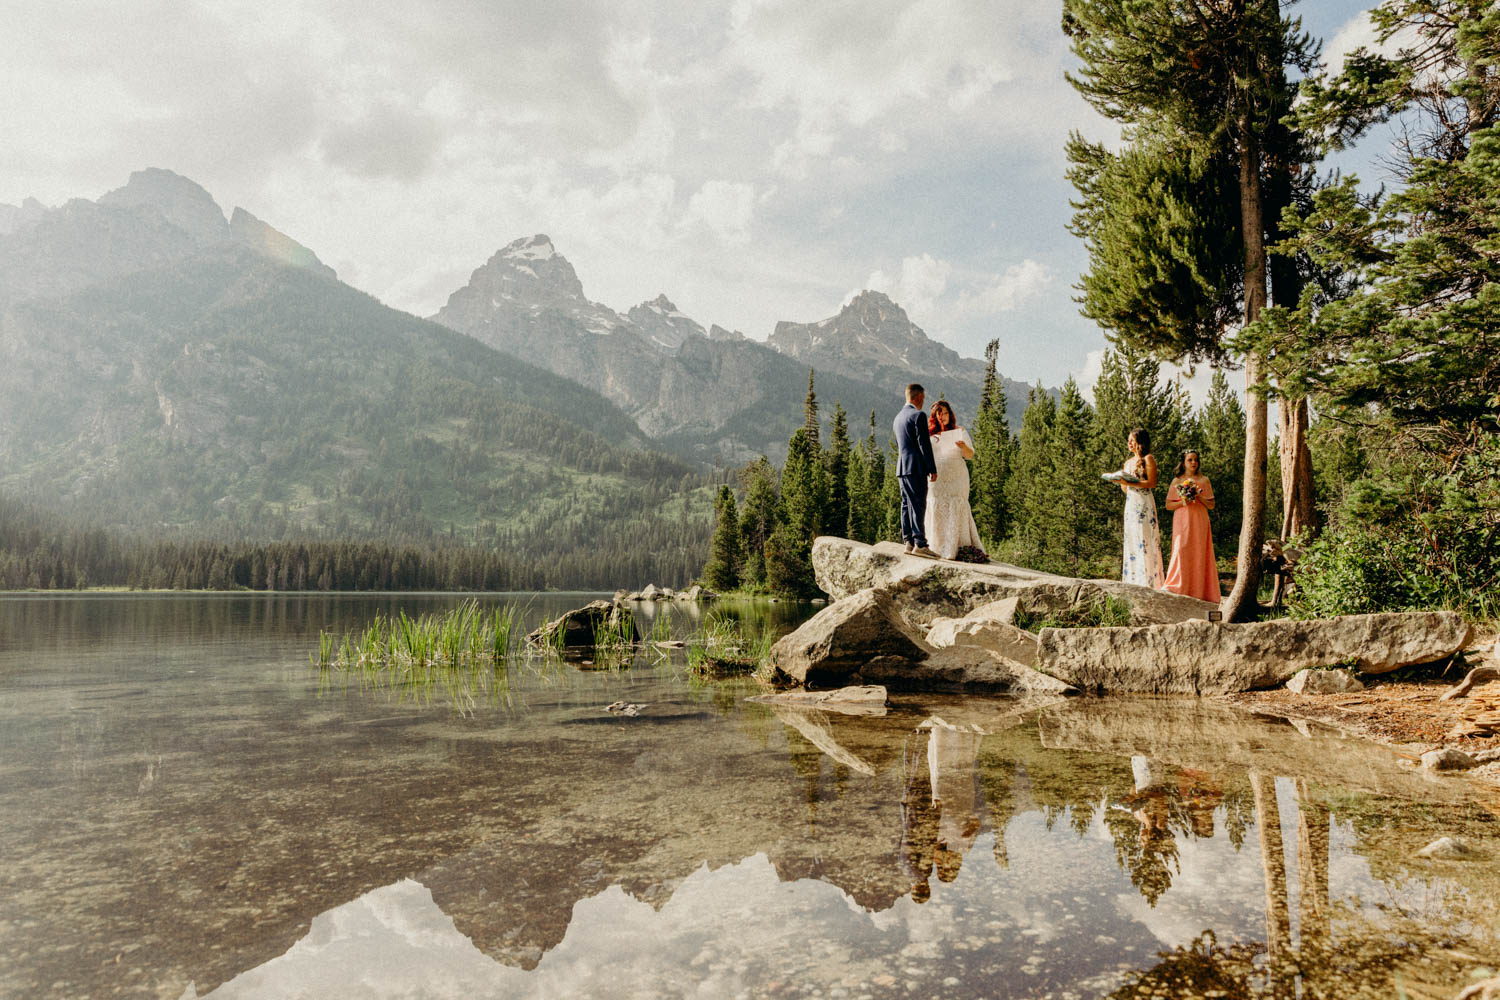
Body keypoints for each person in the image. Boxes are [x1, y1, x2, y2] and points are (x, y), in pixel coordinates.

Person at [923, 400, 986, 560]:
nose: (942, 416)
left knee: (956, 504)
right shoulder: (930, 434)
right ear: (934, 417)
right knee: (936, 503)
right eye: (938, 414)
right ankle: (935, 545)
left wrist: (963, 447)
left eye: (944, 413)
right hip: (936, 478)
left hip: (957, 477)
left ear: (950, 414)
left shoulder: (960, 431)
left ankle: (957, 546)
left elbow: (970, 455)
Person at [1162, 450, 1221, 602]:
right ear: (1183, 463)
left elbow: (1212, 505)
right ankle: (1177, 586)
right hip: (1182, 519)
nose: (1194, 462)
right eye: (1190, 460)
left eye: (1196, 459)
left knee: (1199, 552)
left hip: (1200, 520)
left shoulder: (1204, 480)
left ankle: (1200, 591)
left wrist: (1199, 496)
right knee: (1181, 550)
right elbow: (1168, 505)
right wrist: (1183, 502)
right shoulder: (1177, 481)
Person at [893, 383, 939, 558]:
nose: (923, 402)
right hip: (916, 467)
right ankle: (920, 543)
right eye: (923, 398)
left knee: (906, 504)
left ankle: (908, 542)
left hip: (902, 467)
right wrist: (931, 468)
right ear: (918, 397)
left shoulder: (898, 418)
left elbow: (901, 445)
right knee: (918, 504)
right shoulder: (918, 415)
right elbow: (923, 444)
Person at [1115, 427, 1164, 588]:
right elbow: (1125, 488)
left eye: (1132, 440)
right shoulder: (1128, 462)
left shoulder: (1148, 459)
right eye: (1128, 440)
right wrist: (1121, 481)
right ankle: (1133, 580)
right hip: (1131, 503)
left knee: (1145, 538)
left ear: (1140, 442)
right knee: (1132, 537)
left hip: (1144, 503)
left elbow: (1152, 483)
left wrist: (1130, 482)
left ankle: (1149, 581)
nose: (1129, 443)